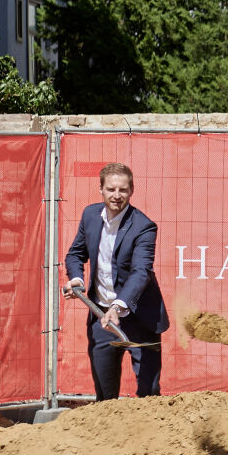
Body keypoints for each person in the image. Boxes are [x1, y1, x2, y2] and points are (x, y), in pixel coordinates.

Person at [62, 161, 169, 400]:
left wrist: (117, 307)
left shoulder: (144, 227)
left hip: (141, 318)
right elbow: (76, 254)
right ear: (101, 189)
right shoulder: (90, 215)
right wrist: (76, 278)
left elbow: (141, 272)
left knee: (149, 394)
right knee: (105, 395)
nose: (117, 195)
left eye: (123, 190)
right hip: (101, 317)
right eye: (111, 189)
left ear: (132, 191)